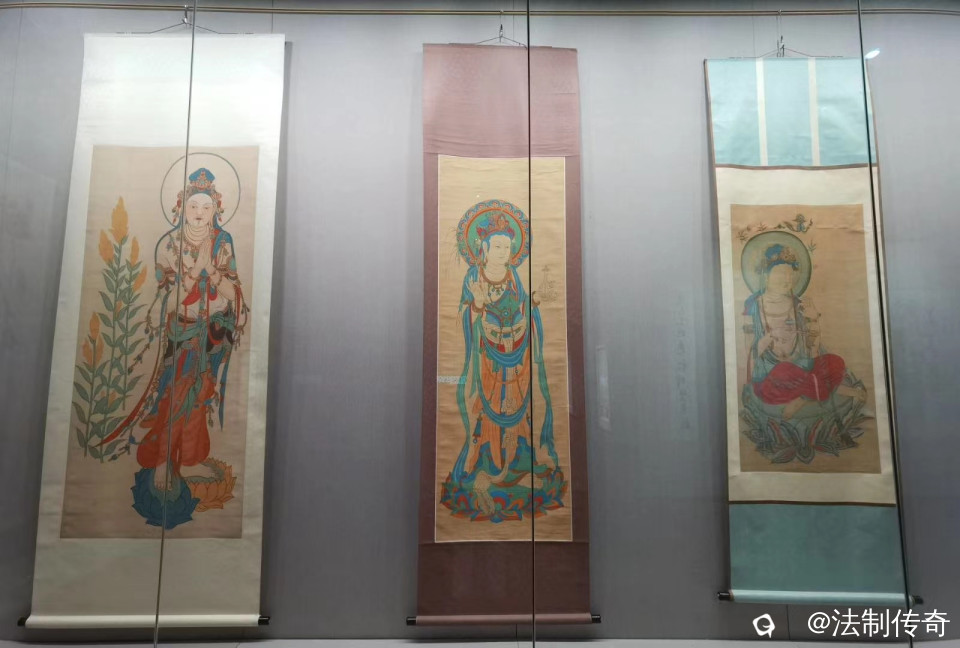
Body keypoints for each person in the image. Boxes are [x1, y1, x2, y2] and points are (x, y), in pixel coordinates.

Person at [102, 168, 247, 510]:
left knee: (200, 394)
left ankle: (191, 458)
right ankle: (163, 460)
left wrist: (211, 269)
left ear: (216, 210)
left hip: (214, 331)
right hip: (183, 330)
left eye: (206, 207)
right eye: (193, 206)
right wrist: (196, 269)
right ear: (181, 207)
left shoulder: (223, 241)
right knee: (176, 394)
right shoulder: (169, 244)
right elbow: (169, 299)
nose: (199, 213)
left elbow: (232, 292)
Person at [441, 207, 565, 522]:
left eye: (507, 247)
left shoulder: (513, 276)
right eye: (496, 246)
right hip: (488, 357)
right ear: (483, 248)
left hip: (516, 352)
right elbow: (461, 318)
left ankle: (519, 460)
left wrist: (532, 304)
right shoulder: (474, 277)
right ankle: (487, 464)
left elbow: (520, 306)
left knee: (518, 407)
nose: (502, 252)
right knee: (489, 407)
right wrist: (477, 305)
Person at [743, 243, 865, 422]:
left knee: (835, 362)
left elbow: (813, 351)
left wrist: (813, 320)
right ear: (766, 276)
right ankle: (828, 389)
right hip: (772, 375)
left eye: (790, 274)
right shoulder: (752, 307)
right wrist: (771, 336)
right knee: (783, 371)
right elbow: (749, 355)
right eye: (780, 273)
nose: (787, 279)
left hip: (801, 367)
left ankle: (804, 397)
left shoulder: (798, 304)